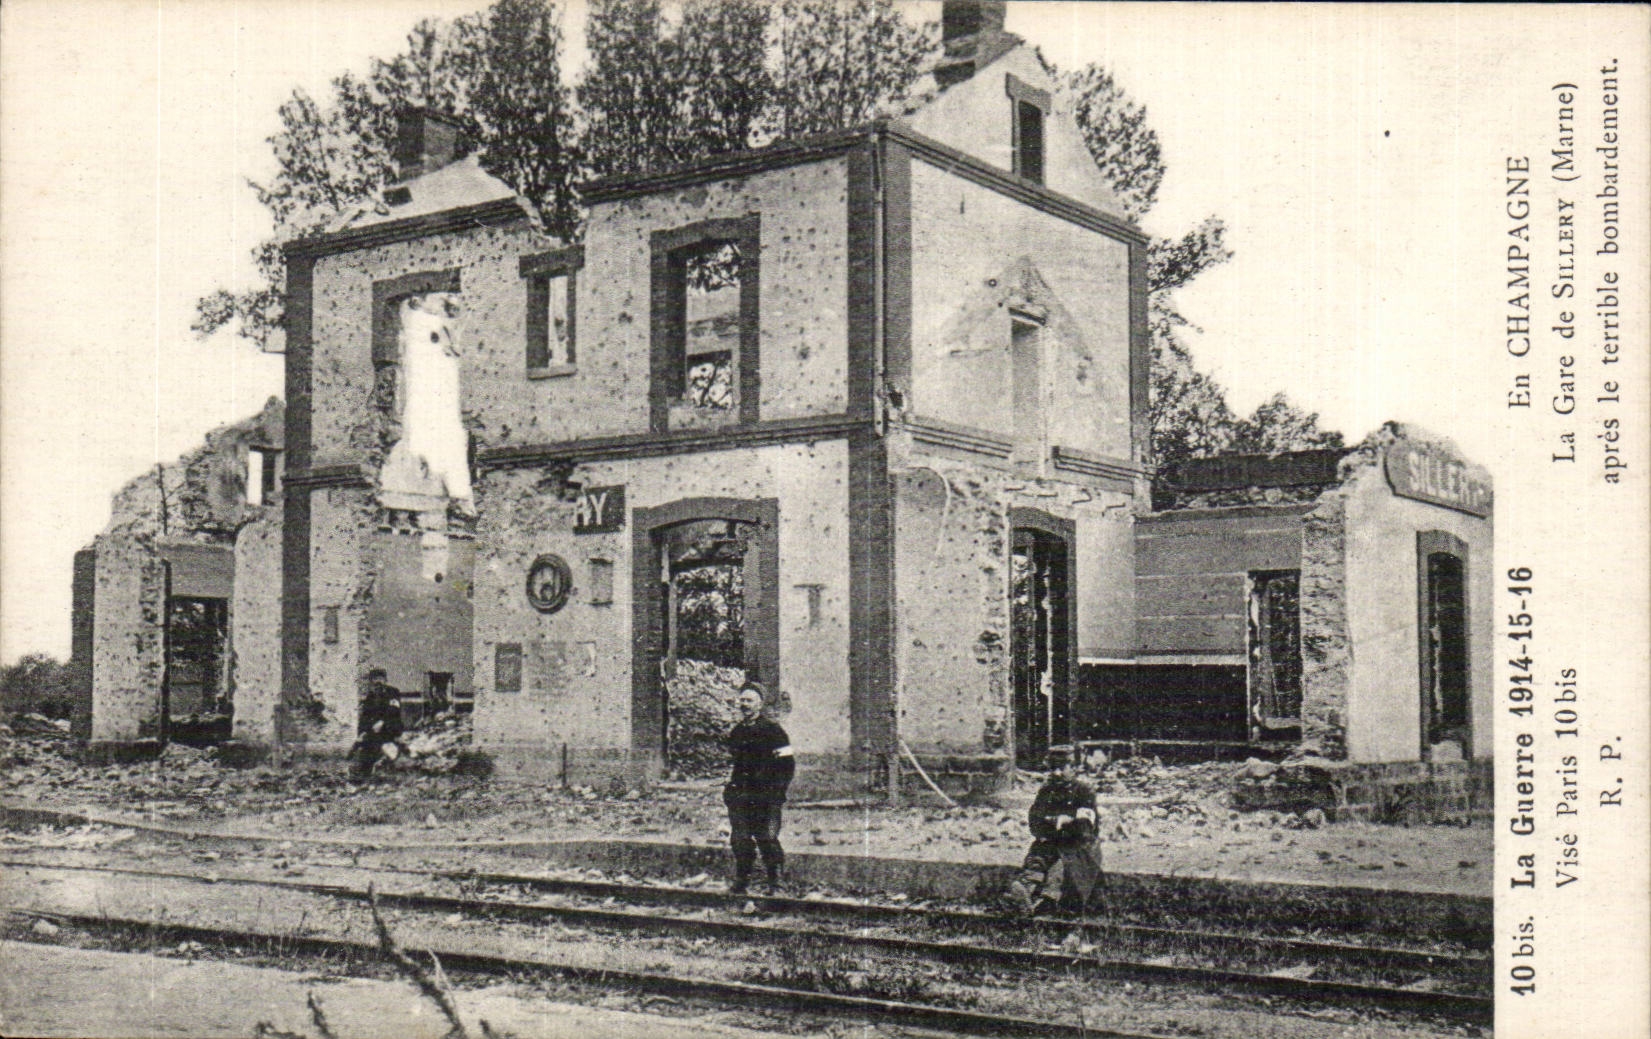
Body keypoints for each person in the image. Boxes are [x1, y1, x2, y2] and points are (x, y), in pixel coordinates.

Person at [1006, 744, 1100, 916]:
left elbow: (1085, 829)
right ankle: (1025, 890)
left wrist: (1061, 823)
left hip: (1079, 847)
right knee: (1037, 858)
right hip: (1053, 842)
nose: (1056, 773)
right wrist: (1060, 823)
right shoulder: (1046, 791)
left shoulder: (1084, 792)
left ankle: (1046, 900)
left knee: (1062, 866)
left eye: (1062, 768)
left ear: (1074, 768)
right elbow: (1035, 823)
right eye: (1053, 769)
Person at [723, 682, 795, 895]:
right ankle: (742, 880)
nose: (744, 704)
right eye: (742, 700)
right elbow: (734, 764)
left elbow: (787, 764)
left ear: (760, 704)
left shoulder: (774, 731)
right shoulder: (736, 732)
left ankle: (776, 882)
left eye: (750, 700)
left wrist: (777, 791)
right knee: (740, 839)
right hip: (741, 796)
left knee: (767, 838)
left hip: (767, 795)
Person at [351, 669, 405, 779]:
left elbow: (393, 710)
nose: (378, 682)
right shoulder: (370, 697)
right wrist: (361, 733)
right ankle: (363, 774)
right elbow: (364, 717)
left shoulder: (393, 692)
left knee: (381, 745)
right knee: (364, 746)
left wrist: (382, 722)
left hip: (390, 726)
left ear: (385, 680)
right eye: (375, 679)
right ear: (371, 682)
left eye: (380, 679)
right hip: (375, 730)